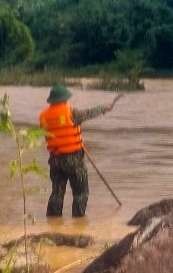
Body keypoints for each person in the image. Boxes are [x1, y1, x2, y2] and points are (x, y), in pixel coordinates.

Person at [39, 85, 116, 217]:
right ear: (64, 99)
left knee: (57, 193)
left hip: (55, 159)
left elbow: (56, 130)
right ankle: (78, 221)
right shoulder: (71, 112)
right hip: (73, 158)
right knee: (81, 192)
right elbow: (89, 113)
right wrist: (104, 108)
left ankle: (53, 221)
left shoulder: (43, 116)